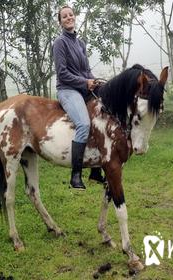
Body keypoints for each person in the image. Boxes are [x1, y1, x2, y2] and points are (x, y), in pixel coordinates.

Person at [52, 5, 105, 190]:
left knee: (102, 116)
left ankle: (96, 171)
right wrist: (85, 82)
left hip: (83, 88)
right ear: (60, 22)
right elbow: (62, 73)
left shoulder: (80, 43)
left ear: (75, 17)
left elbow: (86, 70)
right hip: (68, 90)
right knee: (83, 124)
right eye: (64, 16)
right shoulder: (60, 43)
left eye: (71, 15)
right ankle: (75, 176)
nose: (68, 18)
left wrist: (94, 80)